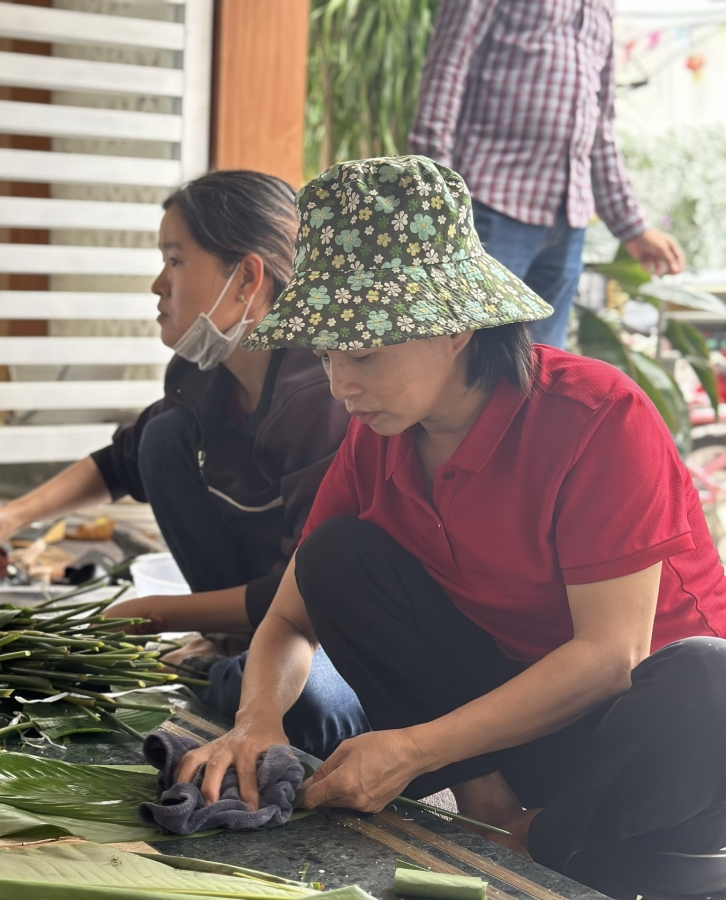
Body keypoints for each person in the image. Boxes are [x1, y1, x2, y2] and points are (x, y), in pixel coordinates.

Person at [195, 156, 726, 899]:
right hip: (514, 731)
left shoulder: (597, 415)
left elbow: (610, 657)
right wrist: (257, 722)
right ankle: (496, 816)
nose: (341, 385)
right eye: (324, 356)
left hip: (647, 748)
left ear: (454, 330)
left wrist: (412, 750)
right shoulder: (377, 434)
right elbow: (289, 615)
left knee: (714, 679)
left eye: (364, 354)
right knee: (338, 559)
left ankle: (542, 842)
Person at [0, 170, 367, 759]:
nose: (158, 284)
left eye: (176, 260)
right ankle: (228, 651)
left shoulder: (317, 396)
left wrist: (152, 614)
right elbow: (124, 462)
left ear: (247, 277)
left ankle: (242, 671)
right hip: (254, 616)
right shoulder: (200, 375)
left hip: (318, 623)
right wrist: (9, 517)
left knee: (305, 705)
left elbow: (299, 593)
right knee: (163, 436)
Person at [409, 0, 686, 348]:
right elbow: (446, 72)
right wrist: (435, 194)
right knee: (471, 364)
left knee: (544, 372)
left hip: (567, 223)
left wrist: (633, 227)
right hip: (488, 206)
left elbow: (599, 125)